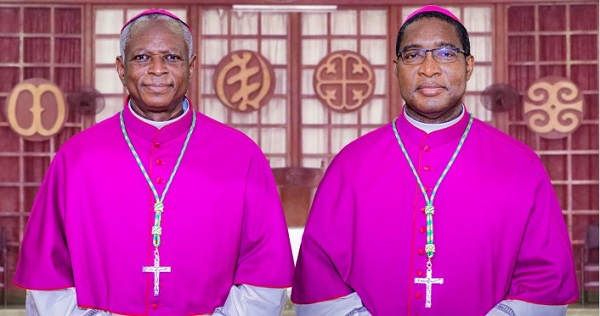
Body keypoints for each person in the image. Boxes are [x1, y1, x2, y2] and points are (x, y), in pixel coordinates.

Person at [291, 5, 578, 316]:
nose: (428, 68)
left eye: (445, 53)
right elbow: (319, 275)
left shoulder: (520, 165)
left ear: (469, 66)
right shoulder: (350, 165)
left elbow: (544, 280)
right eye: (413, 55)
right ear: (396, 67)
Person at [15, 9, 294, 316]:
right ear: (122, 69)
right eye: (142, 58)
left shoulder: (242, 156)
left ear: (191, 66)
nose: (158, 70)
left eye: (172, 57)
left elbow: (263, 270)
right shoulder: (77, 158)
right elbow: (48, 273)